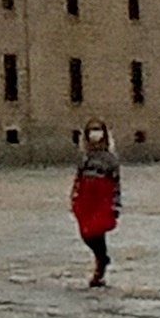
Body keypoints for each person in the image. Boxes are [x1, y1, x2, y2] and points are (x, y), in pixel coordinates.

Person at [70, 121, 122, 287]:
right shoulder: (85, 158)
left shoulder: (111, 159)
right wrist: (74, 196)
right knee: (86, 233)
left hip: (102, 197)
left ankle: (100, 266)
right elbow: (78, 178)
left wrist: (116, 205)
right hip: (86, 198)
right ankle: (102, 258)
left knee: (97, 229)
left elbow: (116, 183)